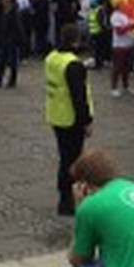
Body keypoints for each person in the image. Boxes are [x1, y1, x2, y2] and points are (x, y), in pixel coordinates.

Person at [45, 23, 94, 216]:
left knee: (65, 157)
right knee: (72, 160)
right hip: (71, 117)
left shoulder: (51, 58)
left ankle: (65, 197)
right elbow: (78, 96)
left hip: (56, 114)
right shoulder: (73, 64)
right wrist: (87, 121)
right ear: (76, 40)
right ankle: (67, 200)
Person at [0, 0, 25, 88]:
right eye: (4, 1)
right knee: (2, 61)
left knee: (12, 62)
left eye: (7, 1)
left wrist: (19, 40)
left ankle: (12, 81)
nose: (5, 3)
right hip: (4, 39)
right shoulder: (3, 12)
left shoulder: (14, 13)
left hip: (11, 40)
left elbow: (18, 28)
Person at [109, 0, 134, 97]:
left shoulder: (126, 15)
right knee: (117, 67)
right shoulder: (115, 16)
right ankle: (114, 87)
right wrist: (131, 26)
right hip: (119, 45)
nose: (125, 5)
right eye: (123, 4)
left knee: (127, 67)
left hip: (129, 44)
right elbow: (119, 31)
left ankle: (126, 86)